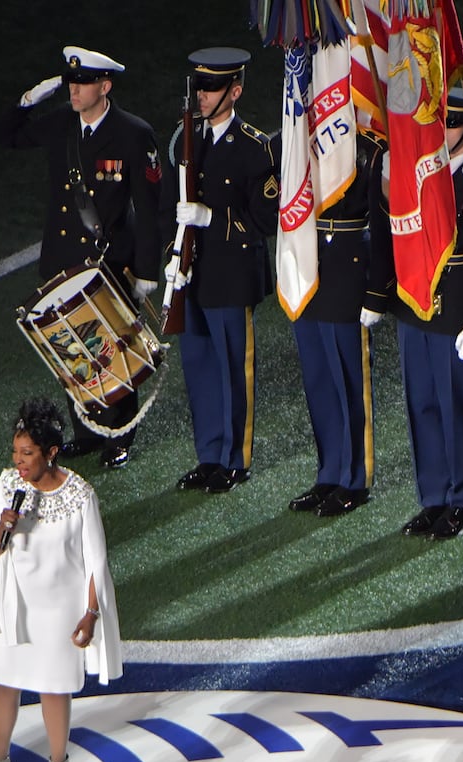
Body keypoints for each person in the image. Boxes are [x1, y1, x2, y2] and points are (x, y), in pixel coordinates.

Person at [0, 46, 163, 470]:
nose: (74, 89)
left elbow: (150, 206)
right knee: (71, 350)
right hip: (62, 259)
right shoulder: (62, 126)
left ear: (104, 87)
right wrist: (26, 102)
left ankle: (119, 435)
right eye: (71, 82)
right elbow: (4, 137)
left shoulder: (133, 133)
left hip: (107, 262)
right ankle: (86, 432)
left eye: (83, 83)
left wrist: (145, 271)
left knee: (110, 350)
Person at [0, 398, 121, 762]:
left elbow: (97, 563)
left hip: (58, 613)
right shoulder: (7, 488)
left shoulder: (80, 497)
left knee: (54, 692)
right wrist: (2, 527)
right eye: (15, 452)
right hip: (14, 607)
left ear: (51, 453)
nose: (18, 462)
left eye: (27, 454)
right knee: (4, 686)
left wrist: (90, 615)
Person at [165, 47, 279, 494]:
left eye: (212, 88)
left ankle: (235, 459)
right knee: (199, 370)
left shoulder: (253, 148)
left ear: (236, 90)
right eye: (199, 87)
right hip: (193, 275)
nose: (203, 96)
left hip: (231, 277)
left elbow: (266, 222)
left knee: (233, 369)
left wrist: (211, 218)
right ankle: (209, 455)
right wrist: (174, 257)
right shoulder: (185, 139)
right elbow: (168, 209)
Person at [390, 89, 463, 540]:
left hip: (455, 310)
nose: (440, 132)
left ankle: (460, 500)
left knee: (455, 406)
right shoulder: (420, 171)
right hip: (416, 304)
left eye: (450, 123)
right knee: (422, 403)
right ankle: (432, 498)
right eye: (437, 122)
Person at [286, 127, 392, 517]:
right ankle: (329, 473)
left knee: (349, 379)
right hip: (306, 262)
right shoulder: (296, 134)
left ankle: (355, 479)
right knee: (319, 378)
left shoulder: (369, 148)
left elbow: (381, 227)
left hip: (348, 268)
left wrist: (377, 290)